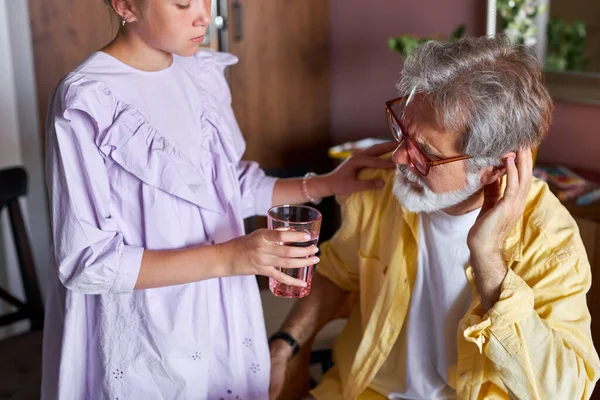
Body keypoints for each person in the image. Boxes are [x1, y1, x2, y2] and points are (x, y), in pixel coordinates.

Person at [40, 0, 396, 398]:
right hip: (147, 328)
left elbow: (226, 188)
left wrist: (327, 184)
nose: (204, 16)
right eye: (182, 3)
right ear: (125, 5)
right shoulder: (87, 100)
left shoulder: (199, 71)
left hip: (223, 310)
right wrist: (230, 257)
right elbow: (87, 263)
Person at [269, 36, 600, 400]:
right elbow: (337, 274)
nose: (397, 158)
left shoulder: (550, 239)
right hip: (363, 390)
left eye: (424, 153)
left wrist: (489, 261)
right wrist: (285, 346)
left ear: (491, 169)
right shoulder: (379, 185)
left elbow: (566, 392)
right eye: (401, 129)